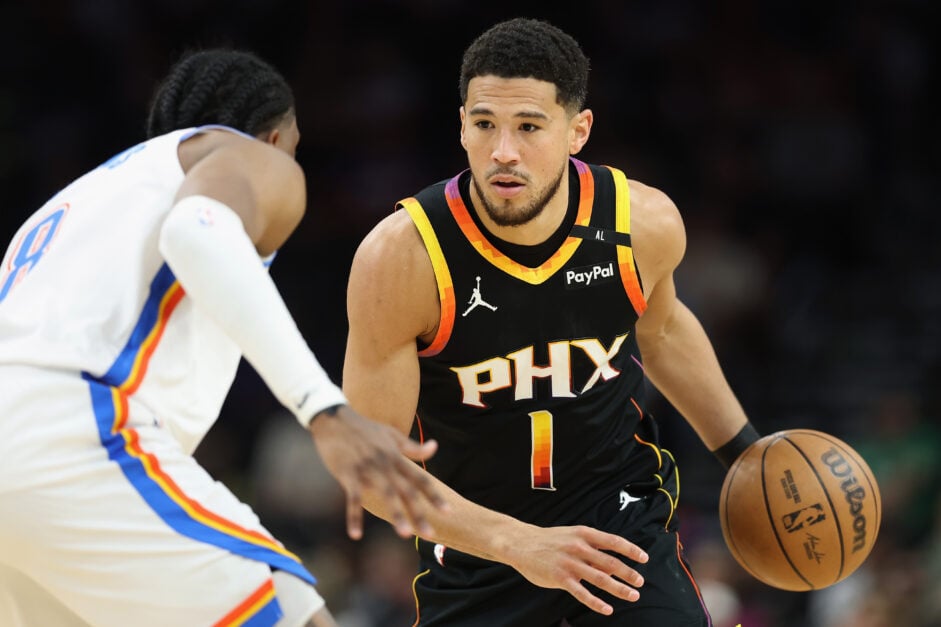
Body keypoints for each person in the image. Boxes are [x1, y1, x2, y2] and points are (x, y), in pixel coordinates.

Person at [0, 48, 445, 627]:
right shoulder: (253, 156)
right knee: (291, 612)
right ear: (276, 135)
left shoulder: (65, 208)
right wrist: (325, 411)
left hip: (31, 462)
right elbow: (196, 228)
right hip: (73, 434)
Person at [342, 17, 760, 625]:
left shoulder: (640, 224)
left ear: (577, 130)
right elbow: (374, 471)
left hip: (619, 525)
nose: (503, 152)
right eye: (484, 124)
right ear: (461, 126)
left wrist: (745, 452)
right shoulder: (401, 259)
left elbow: (664, 331)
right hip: (478, 547)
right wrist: (520, 544)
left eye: (529, 127)